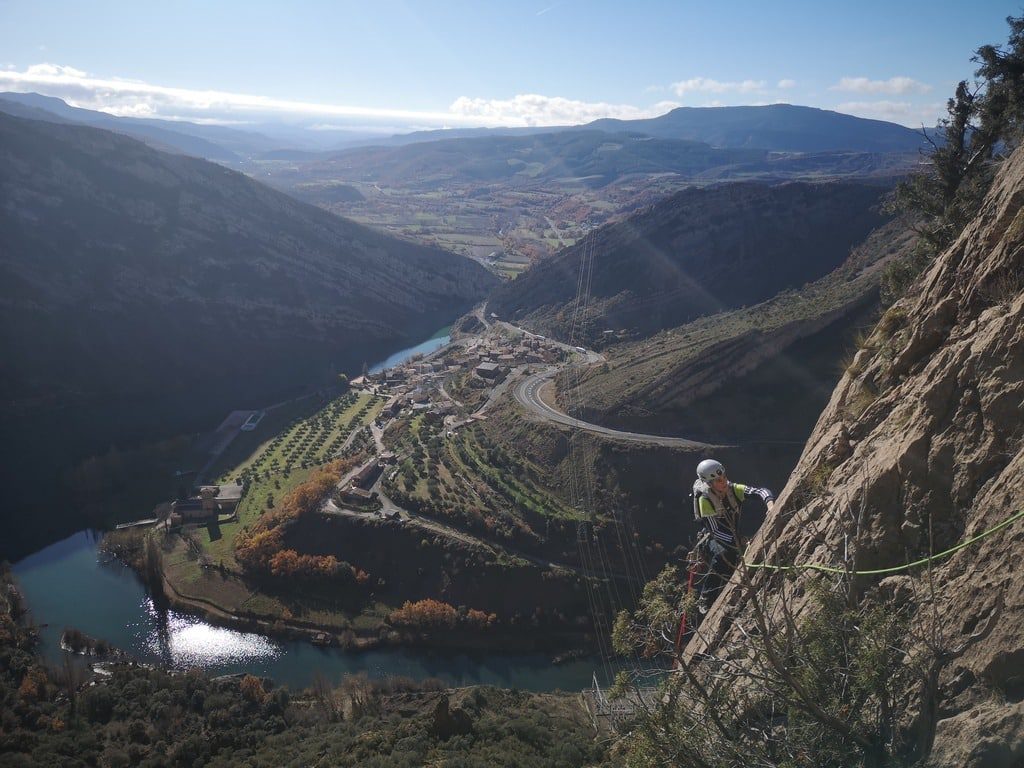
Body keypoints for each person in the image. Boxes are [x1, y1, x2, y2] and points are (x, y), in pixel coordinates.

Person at [692, 458, 774, 612]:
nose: (723, 482)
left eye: (723, 477)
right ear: (709, 484)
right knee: (723, 556)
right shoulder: (705, 500)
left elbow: (760, 492)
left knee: (732, 559)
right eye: (717, 480)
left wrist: (770, 504)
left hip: (732, 536)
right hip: (710, 538)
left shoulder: (733, 489)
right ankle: (706, 596)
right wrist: (739, 544)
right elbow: (715, 530)